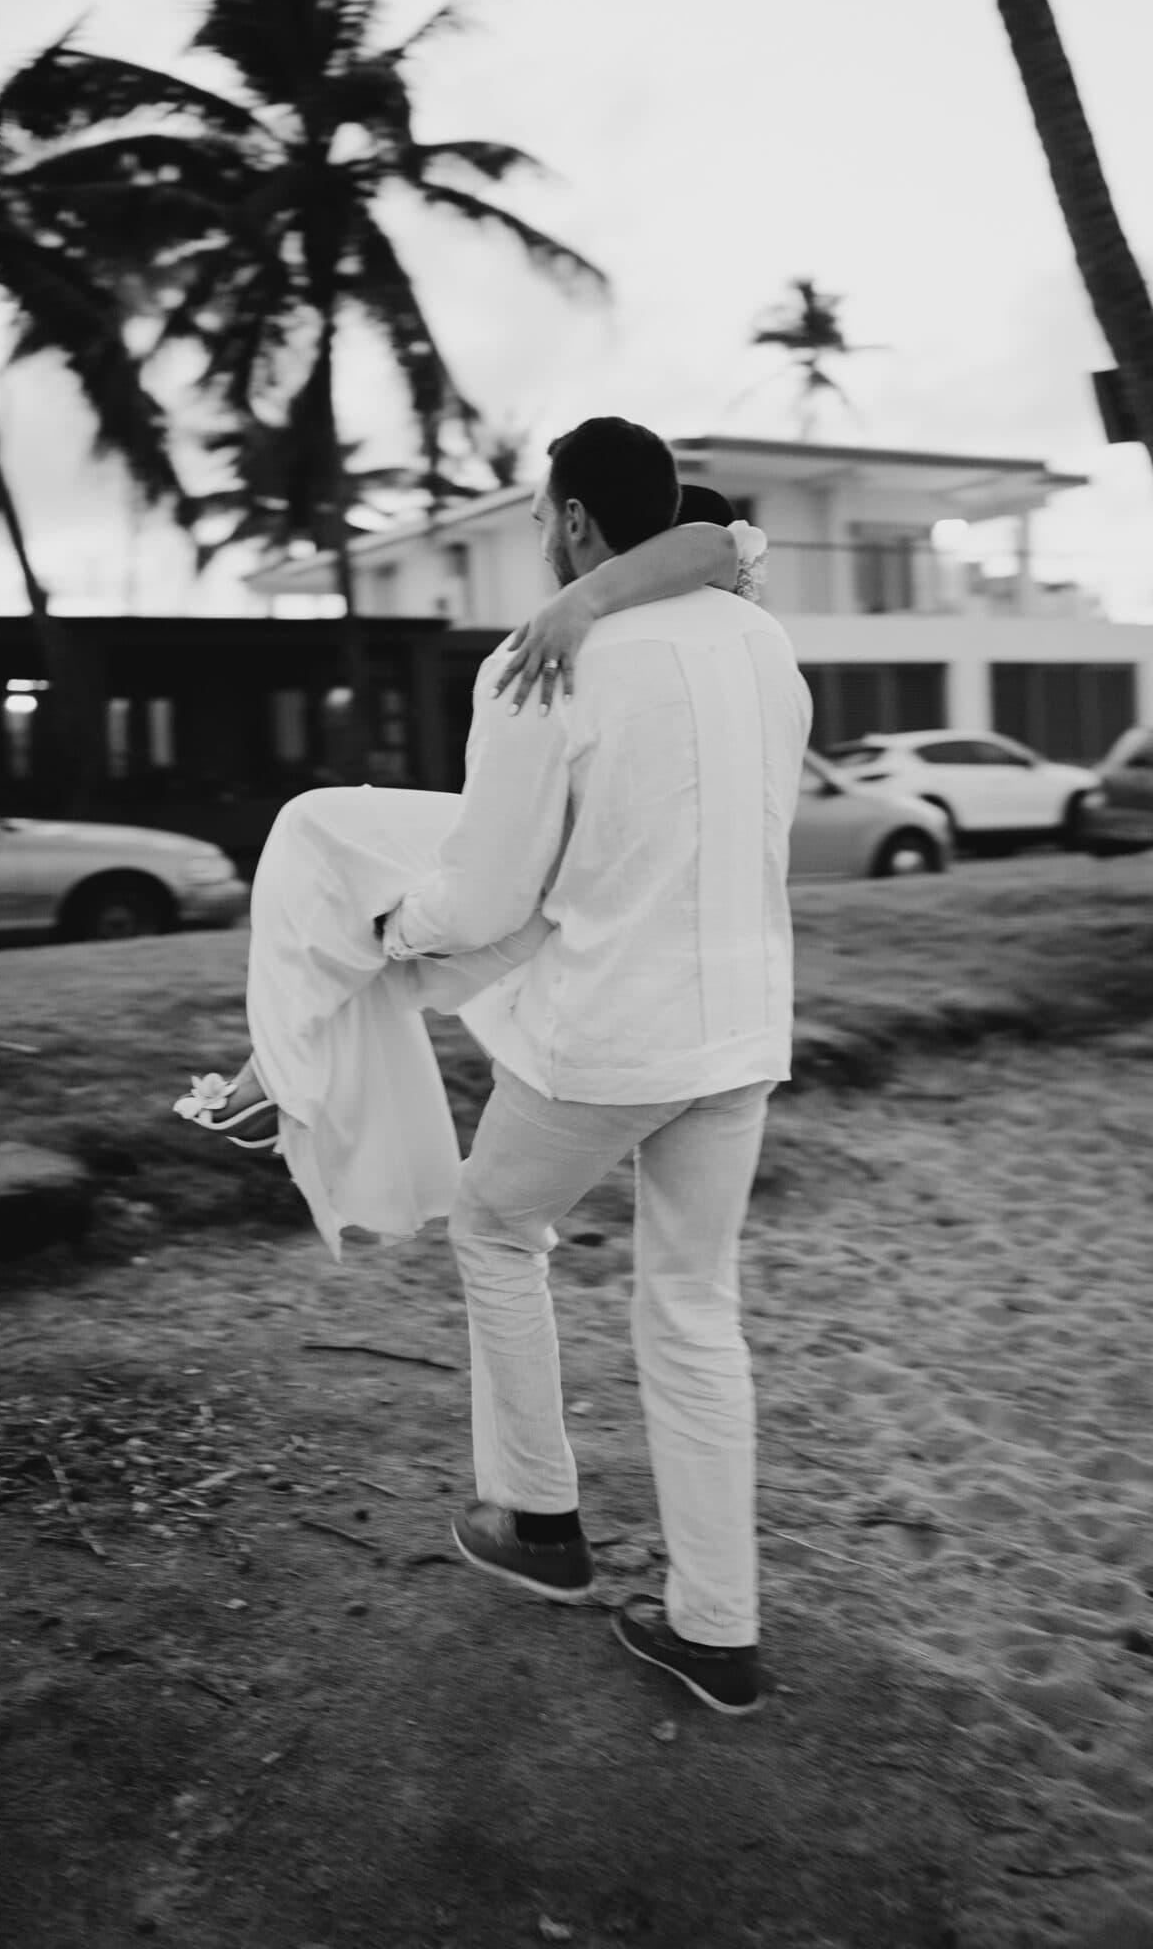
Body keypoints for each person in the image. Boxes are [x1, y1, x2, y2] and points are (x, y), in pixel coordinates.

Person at [375, 417, 811, 1715]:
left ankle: (539, 1522)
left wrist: (391, 928)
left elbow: (493, 885)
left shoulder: (546, 657)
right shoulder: (764, 644)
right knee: (692, 1304)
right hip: (742, 1023)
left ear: (570, 521)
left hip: (617, 1032)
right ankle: (716, 1630)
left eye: (534, 520)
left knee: (495, 1227)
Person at [173, 483, 767, 1255]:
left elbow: (717, 544)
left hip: (594, 874)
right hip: (620, 878)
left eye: (544, 519)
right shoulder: (744, 646)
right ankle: (281, 1064)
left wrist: (579, 602)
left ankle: (283, 1072)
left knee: (328, 842)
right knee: (347, 869)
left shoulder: (680, 609)